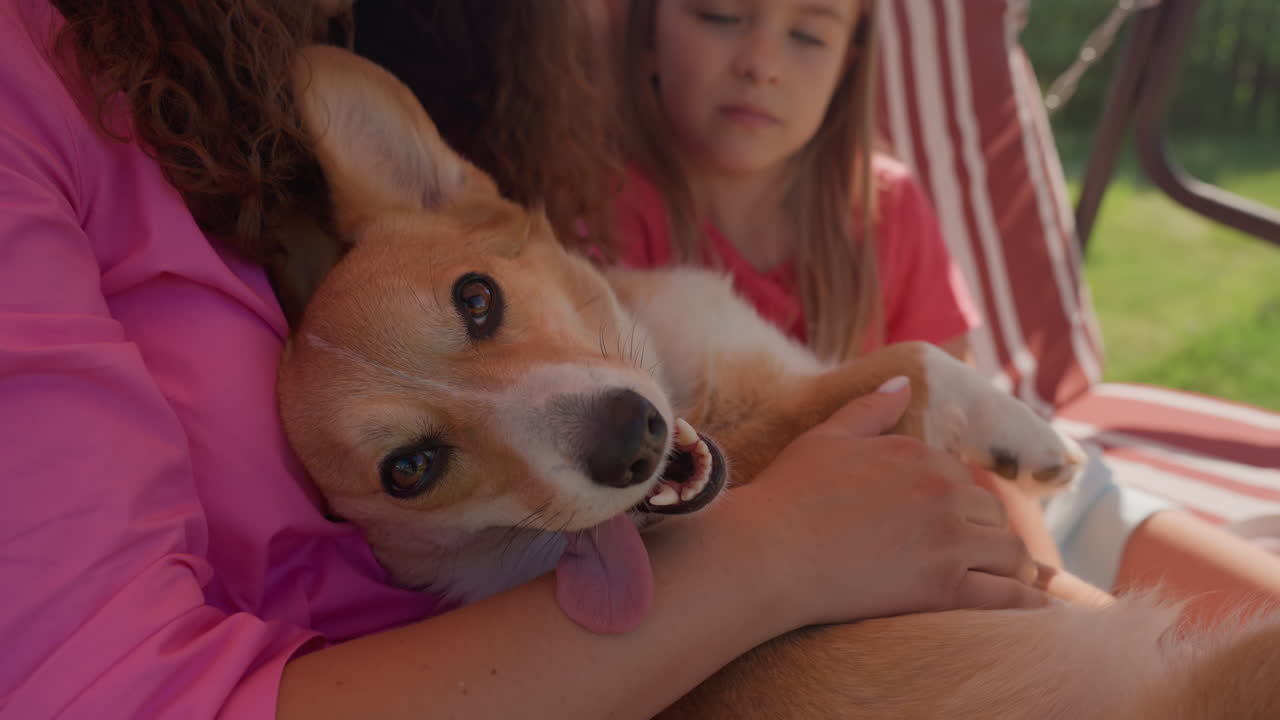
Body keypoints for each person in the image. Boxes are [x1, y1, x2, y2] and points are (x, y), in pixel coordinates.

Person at [0, 1, 1048, 718]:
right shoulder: (30, 93)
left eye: (475, 306)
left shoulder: (471, 90)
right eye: (409, 463)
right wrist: (769, 556)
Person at [608, 0, 1280, 622]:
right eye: (720, 15)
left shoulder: (885, 205)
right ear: (647, 40)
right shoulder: (611, 226)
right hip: (884, 559)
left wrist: (1043, 574)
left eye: (808, 33)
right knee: (1166, 667)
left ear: (847, 66)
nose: (760, 62)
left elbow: (975, 442)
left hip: (1038, 504)